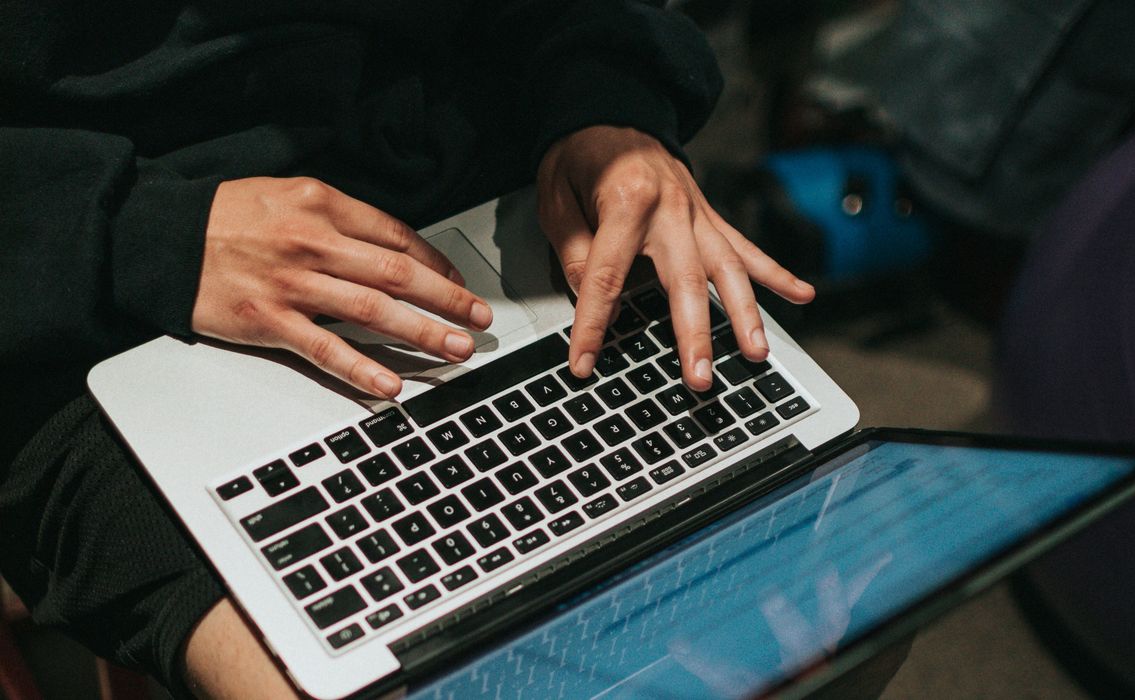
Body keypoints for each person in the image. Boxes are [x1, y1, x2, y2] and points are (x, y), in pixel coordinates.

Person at [0, 1, 814, 697]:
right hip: (90, 302)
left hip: (472, 191)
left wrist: (607, 103)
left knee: (823, 616)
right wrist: (148, 241)